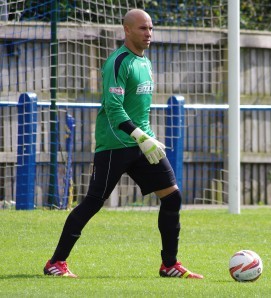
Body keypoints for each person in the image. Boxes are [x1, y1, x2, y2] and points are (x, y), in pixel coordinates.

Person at [43, 8, 203, 279]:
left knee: (172, 197)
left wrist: (148, 138)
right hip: (115, 143)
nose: (148, 33)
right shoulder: (118, 62)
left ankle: (169, 265)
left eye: (151, 28)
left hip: (141, 144)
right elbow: (114, 108)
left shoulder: (146, 63)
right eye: (143, 28)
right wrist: (142, 137)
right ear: (126, 30)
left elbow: (141, 111)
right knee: (94, 202)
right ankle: (55, 263)